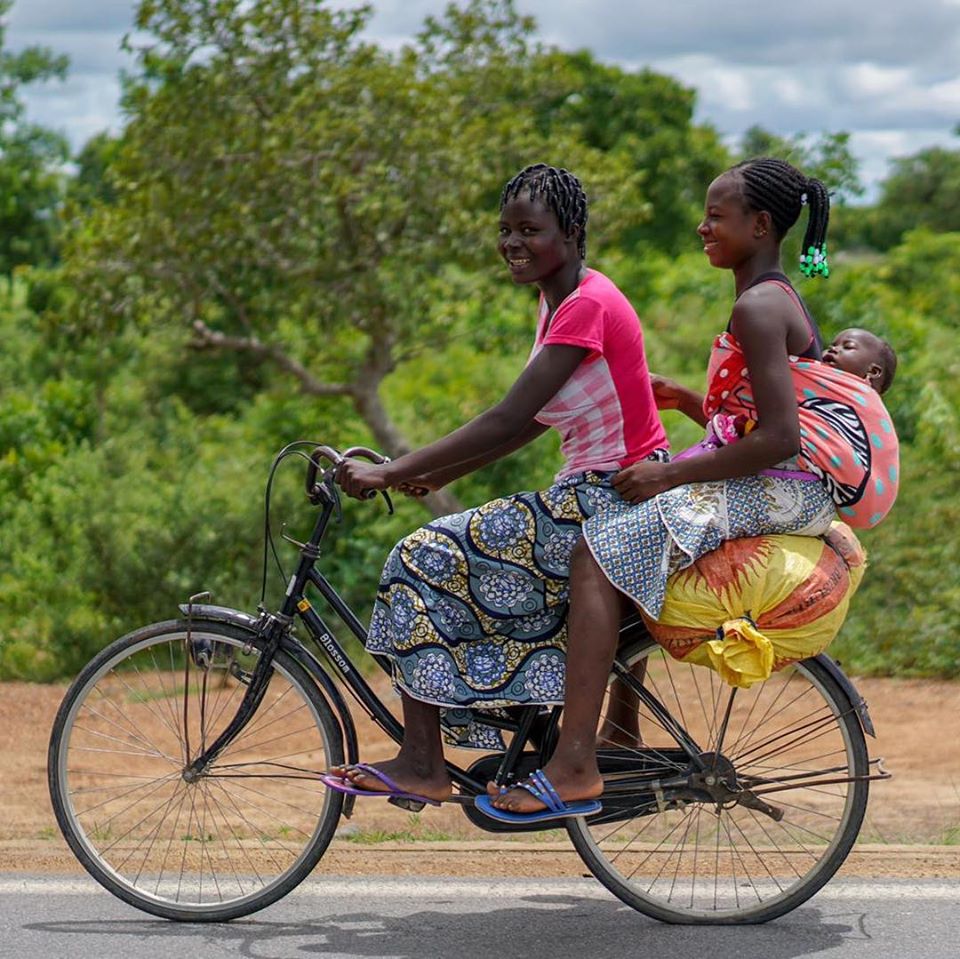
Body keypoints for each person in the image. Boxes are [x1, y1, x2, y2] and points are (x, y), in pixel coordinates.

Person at [486, 156, 881, 818]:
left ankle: (575, 763)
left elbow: (781, 438)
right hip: (780, 483)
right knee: (625, 542)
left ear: (760, 226)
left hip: (780, 489)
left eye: (716, 216)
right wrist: (690, 401)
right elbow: (757, 421)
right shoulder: (771, 296)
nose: (702, 226)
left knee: (597, 551)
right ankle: (619, 727)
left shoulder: (758, 307)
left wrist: (668, 472)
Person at [325, 163, 667, 810]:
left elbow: (509, 416)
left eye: (528, 230)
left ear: (569, 232)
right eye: (505, 229)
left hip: (606, 499)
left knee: (418, 557)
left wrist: (393, 471)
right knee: (456, 554)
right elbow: (532, 423)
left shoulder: (587, 304)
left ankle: (425, 762)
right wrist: (434, 474)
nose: (511, 242)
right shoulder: (561, 299)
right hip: (600, 493)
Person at [822, 328, 897, 393]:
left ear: (872, 371)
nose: (833, 349)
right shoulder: (811, 376)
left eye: (848, 347)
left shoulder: (870, 408)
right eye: (831, 346)